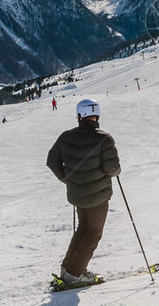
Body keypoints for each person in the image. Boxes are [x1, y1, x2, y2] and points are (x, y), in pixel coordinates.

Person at [47, 99, 120, 286]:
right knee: (93, 233)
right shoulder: (104, 138)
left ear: (79, 116)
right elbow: (112, 169)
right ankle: (75, 274)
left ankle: (69, 268)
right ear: (97, 115)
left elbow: (52, 161)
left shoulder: (65, 137)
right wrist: (116, 171)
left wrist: (66, 178)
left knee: (83, 229)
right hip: (99, 198)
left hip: (77, 196)